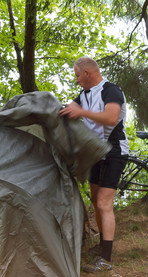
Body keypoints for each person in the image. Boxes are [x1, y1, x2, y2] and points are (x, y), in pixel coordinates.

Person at [59, 57, 129, 273]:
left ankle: (106, 259)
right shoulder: (84, 94)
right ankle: (101, 246)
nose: (77, 81)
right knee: (96, 198)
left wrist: (81, 113)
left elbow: (111, 117)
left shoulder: (111, 90)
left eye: (78, 76)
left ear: (87, 73)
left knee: (103, 203)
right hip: (95, 153)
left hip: (114, 152)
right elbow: (71, 106)